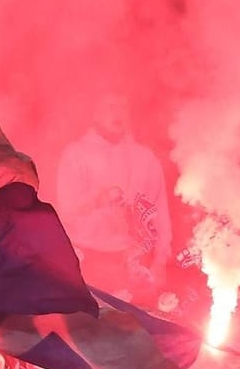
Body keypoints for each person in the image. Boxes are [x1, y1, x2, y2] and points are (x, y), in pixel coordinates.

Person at [53, 96, 171, 297]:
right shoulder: (76, 154)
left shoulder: (144, 158)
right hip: (87, 259)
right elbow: (64, 208)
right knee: (90, 325)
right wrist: (98, 199)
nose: (118, 113)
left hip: (132, 262)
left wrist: (160, 261)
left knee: (132, 325)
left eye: (123, 107)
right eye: (110, 106)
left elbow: (159, 211)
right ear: (95, 114)